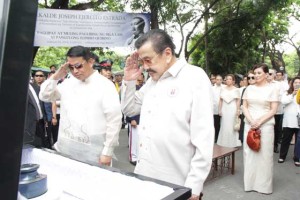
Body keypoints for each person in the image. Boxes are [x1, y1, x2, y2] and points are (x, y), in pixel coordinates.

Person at [121, 29, 214, 200]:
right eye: (142, 62)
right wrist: (129, 80)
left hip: (178, 182)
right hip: (144, 174)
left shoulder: (195, 78)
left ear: (167, 53)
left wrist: (193, 187)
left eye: (148, 60)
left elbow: (204, 138)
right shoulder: (152, 82)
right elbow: (130, 110)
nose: (145, 67)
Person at [39, 46, 122, 166]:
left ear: (91, 61)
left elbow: (114, 120)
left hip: (94, 151)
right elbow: (44, 96)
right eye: (71, 67)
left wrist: (107, 152)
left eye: (78, 66)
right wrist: (56, 76)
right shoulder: (68, 83)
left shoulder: (105, 85)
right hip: (65, 148)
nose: (75, 71)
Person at [242, 63, 279, 194]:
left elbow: (274, 109)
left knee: (265, 155)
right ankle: (250, 184)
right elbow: (244, 106)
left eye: (259, 73)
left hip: (266, 125)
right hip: (249, 124)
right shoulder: (249, 89)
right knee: (249, 154)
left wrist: (260, 122)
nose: (256, 76)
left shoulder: (272, 89)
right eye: (255, 73)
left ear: (266, 74)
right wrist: (252, 121)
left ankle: (264, 186)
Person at [278, 77, 300, 166]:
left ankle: (297, 157)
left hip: (299, 121)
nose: (297, 84)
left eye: (299, 82)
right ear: (292, 83)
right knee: (286, 140)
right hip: (289, 121)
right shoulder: (287, 93)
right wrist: (293, 94)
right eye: (296, 82)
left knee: (299, 141)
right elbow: (283, 101)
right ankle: (282, 156)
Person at [217, 74, 241, 147]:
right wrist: (220, 110)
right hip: (224, 108)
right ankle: (223, 141)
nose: (228, 80)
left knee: (231, 124)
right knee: (224, 124)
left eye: (230, 79)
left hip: (232, 108)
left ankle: (233, 142)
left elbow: (238, 100)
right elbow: (220, 100)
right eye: (227, 79)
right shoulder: (222, 89)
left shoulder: (236, 89)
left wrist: (238, 110)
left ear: (233, 81)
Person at [126, 73, 144, 165]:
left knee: (139, 140)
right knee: (133, 140)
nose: (141, 77)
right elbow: (129, 105)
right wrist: (131, 118)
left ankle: (138, 157)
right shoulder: (132, 88)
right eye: (140, 76)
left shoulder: (143, 87)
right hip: (134, 118)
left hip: (142, 118)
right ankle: (133, 157)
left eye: (142, 76)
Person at [212, 75, 223, 142]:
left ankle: (221, 137)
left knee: (222, 123)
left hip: (223, 108)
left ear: (222, 80)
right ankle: (216, 137)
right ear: (215, 80)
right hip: (214, 109)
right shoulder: (212, 88)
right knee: (216, 124)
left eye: (220, 79)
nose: (219, 81)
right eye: (217, 79)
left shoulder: (224, 87)